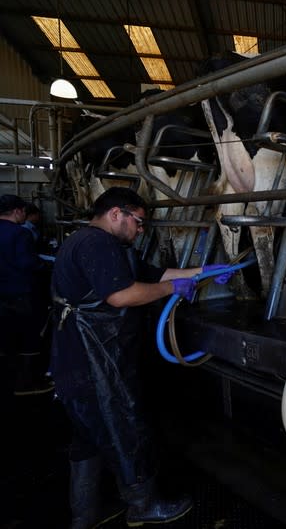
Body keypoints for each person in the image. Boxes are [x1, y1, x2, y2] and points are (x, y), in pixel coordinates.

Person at [50, 187, 232, 528]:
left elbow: (154, 275)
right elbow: (121, 295)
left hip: (80, 359)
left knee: (87, 436)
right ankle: (143, 505)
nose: (141, 229)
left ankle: (85, 515)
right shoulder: (97, 244)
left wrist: (203, 271)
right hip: (94, 363)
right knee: (124, 428)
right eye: (138, 221)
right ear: (116, 214)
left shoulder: (99, 244)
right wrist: (172, 291)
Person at [0, 194, 53, 401]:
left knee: (5, 337)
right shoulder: (20, 233)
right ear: (17, 211)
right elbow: (27, 264)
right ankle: (27, 383)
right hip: (20, 294)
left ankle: (6, 382)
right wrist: (47, 266)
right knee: (29, 337)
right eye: (23, 210)